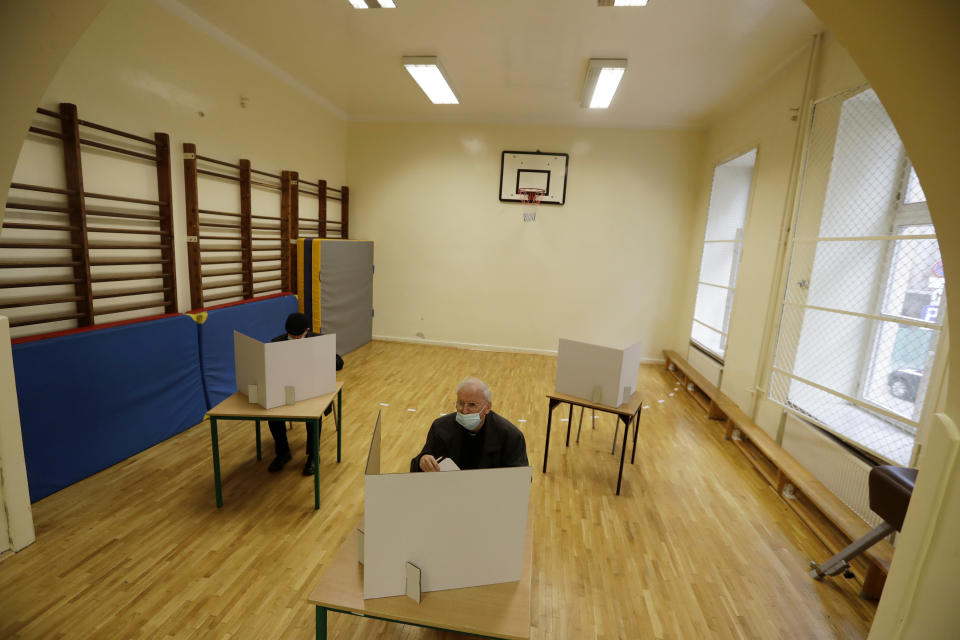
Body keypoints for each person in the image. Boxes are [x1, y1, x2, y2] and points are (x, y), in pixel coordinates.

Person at [267, 312, 343, 475]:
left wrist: (324, 357)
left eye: (298, 336)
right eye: (291, 336)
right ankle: (283, 452)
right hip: (287, 391)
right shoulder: (276, 343)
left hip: (313, 391)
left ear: (307, 331)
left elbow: (339, 364)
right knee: (272, 413)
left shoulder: (318, 341)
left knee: (313, 414)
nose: (294, 339)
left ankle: (313, 455)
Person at [410, 377, 528, 472]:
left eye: (472, 405)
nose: (464, 410)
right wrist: (422, 460)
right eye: (460, 403)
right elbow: (419, 464)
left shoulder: (511, 436)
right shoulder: (440, 427)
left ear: (487, 407)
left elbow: (521, 479)